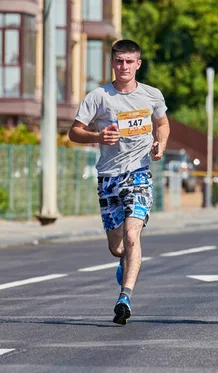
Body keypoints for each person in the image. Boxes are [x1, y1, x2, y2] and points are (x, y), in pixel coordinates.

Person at [68, 40, 170, 324]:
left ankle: (125, 297)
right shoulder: (98, 97)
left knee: (133, 236)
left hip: (139, 174)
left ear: (138, 64)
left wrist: (160, 145)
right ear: (112, 63)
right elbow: (74, 132)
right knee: (118, 247)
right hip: (109, 177)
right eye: (119, 61)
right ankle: (123, 263)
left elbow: (162, 124)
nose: (124, 67)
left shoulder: (151, 95)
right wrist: (98, 137)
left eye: (129, 62)